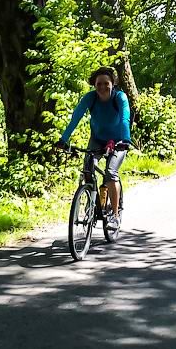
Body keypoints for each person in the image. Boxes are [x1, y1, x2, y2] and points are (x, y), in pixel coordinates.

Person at [56, 66, 131, 229]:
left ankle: (115, 216)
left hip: (119, 141)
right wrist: (63, 139)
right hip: (97, 139)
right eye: (99, 84)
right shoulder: (90, 98)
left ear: (113, 84)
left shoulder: (120, 97)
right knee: (88, 171)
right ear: (94, 85)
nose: (103, 87)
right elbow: (75, 118)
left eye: (106, 83)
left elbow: (125, 119)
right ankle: (92, 204)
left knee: (111, 173)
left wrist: (126, 139)